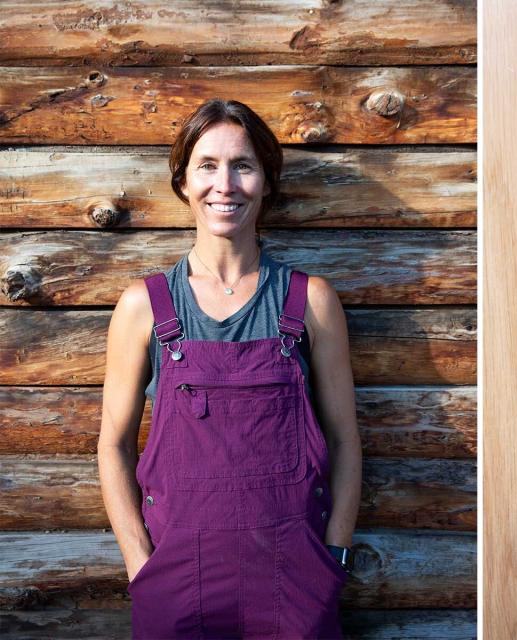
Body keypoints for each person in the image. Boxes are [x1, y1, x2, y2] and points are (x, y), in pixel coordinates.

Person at [97, 98, 362, 639]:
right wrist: (139, 563)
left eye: (243, 165)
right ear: (183, 182)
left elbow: (345, 440)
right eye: (208, 166)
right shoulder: (144, 307)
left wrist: (334, 554)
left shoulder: (310, 301)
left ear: (266, 181)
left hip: (296, 581)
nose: (226, 184)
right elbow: (113, 445)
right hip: (174, 583)